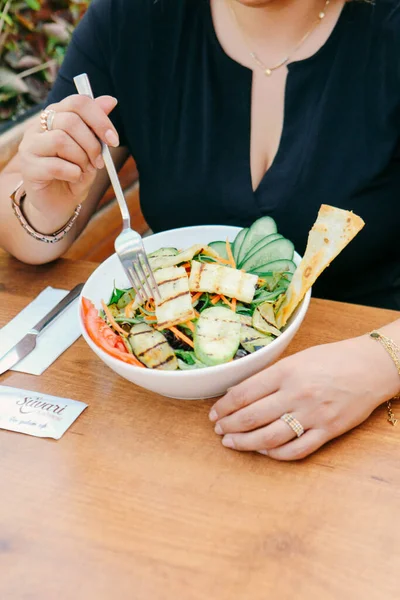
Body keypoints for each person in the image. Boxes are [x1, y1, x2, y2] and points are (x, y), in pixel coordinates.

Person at [1, 0, 400, 460]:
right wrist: (44, 207)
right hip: (161, 418)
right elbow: (19, 226)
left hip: (369, 420)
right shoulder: (131, 20)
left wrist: (379, 363)